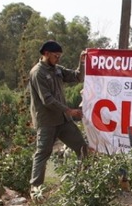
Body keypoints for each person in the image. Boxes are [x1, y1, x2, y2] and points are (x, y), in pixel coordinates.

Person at [28, 40, 87, 188]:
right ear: (46, 54)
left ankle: (83, 182)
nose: (58, 59)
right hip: (47, 122)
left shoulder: (57, 69)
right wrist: (69, 110)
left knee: (83, 148)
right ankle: (36, 189)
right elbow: (47, 100)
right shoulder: (38, 73)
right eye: (56, 56)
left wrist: (82, 62)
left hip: (63, 120)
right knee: (43, 154)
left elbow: (78, 77)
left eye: (60, 56)